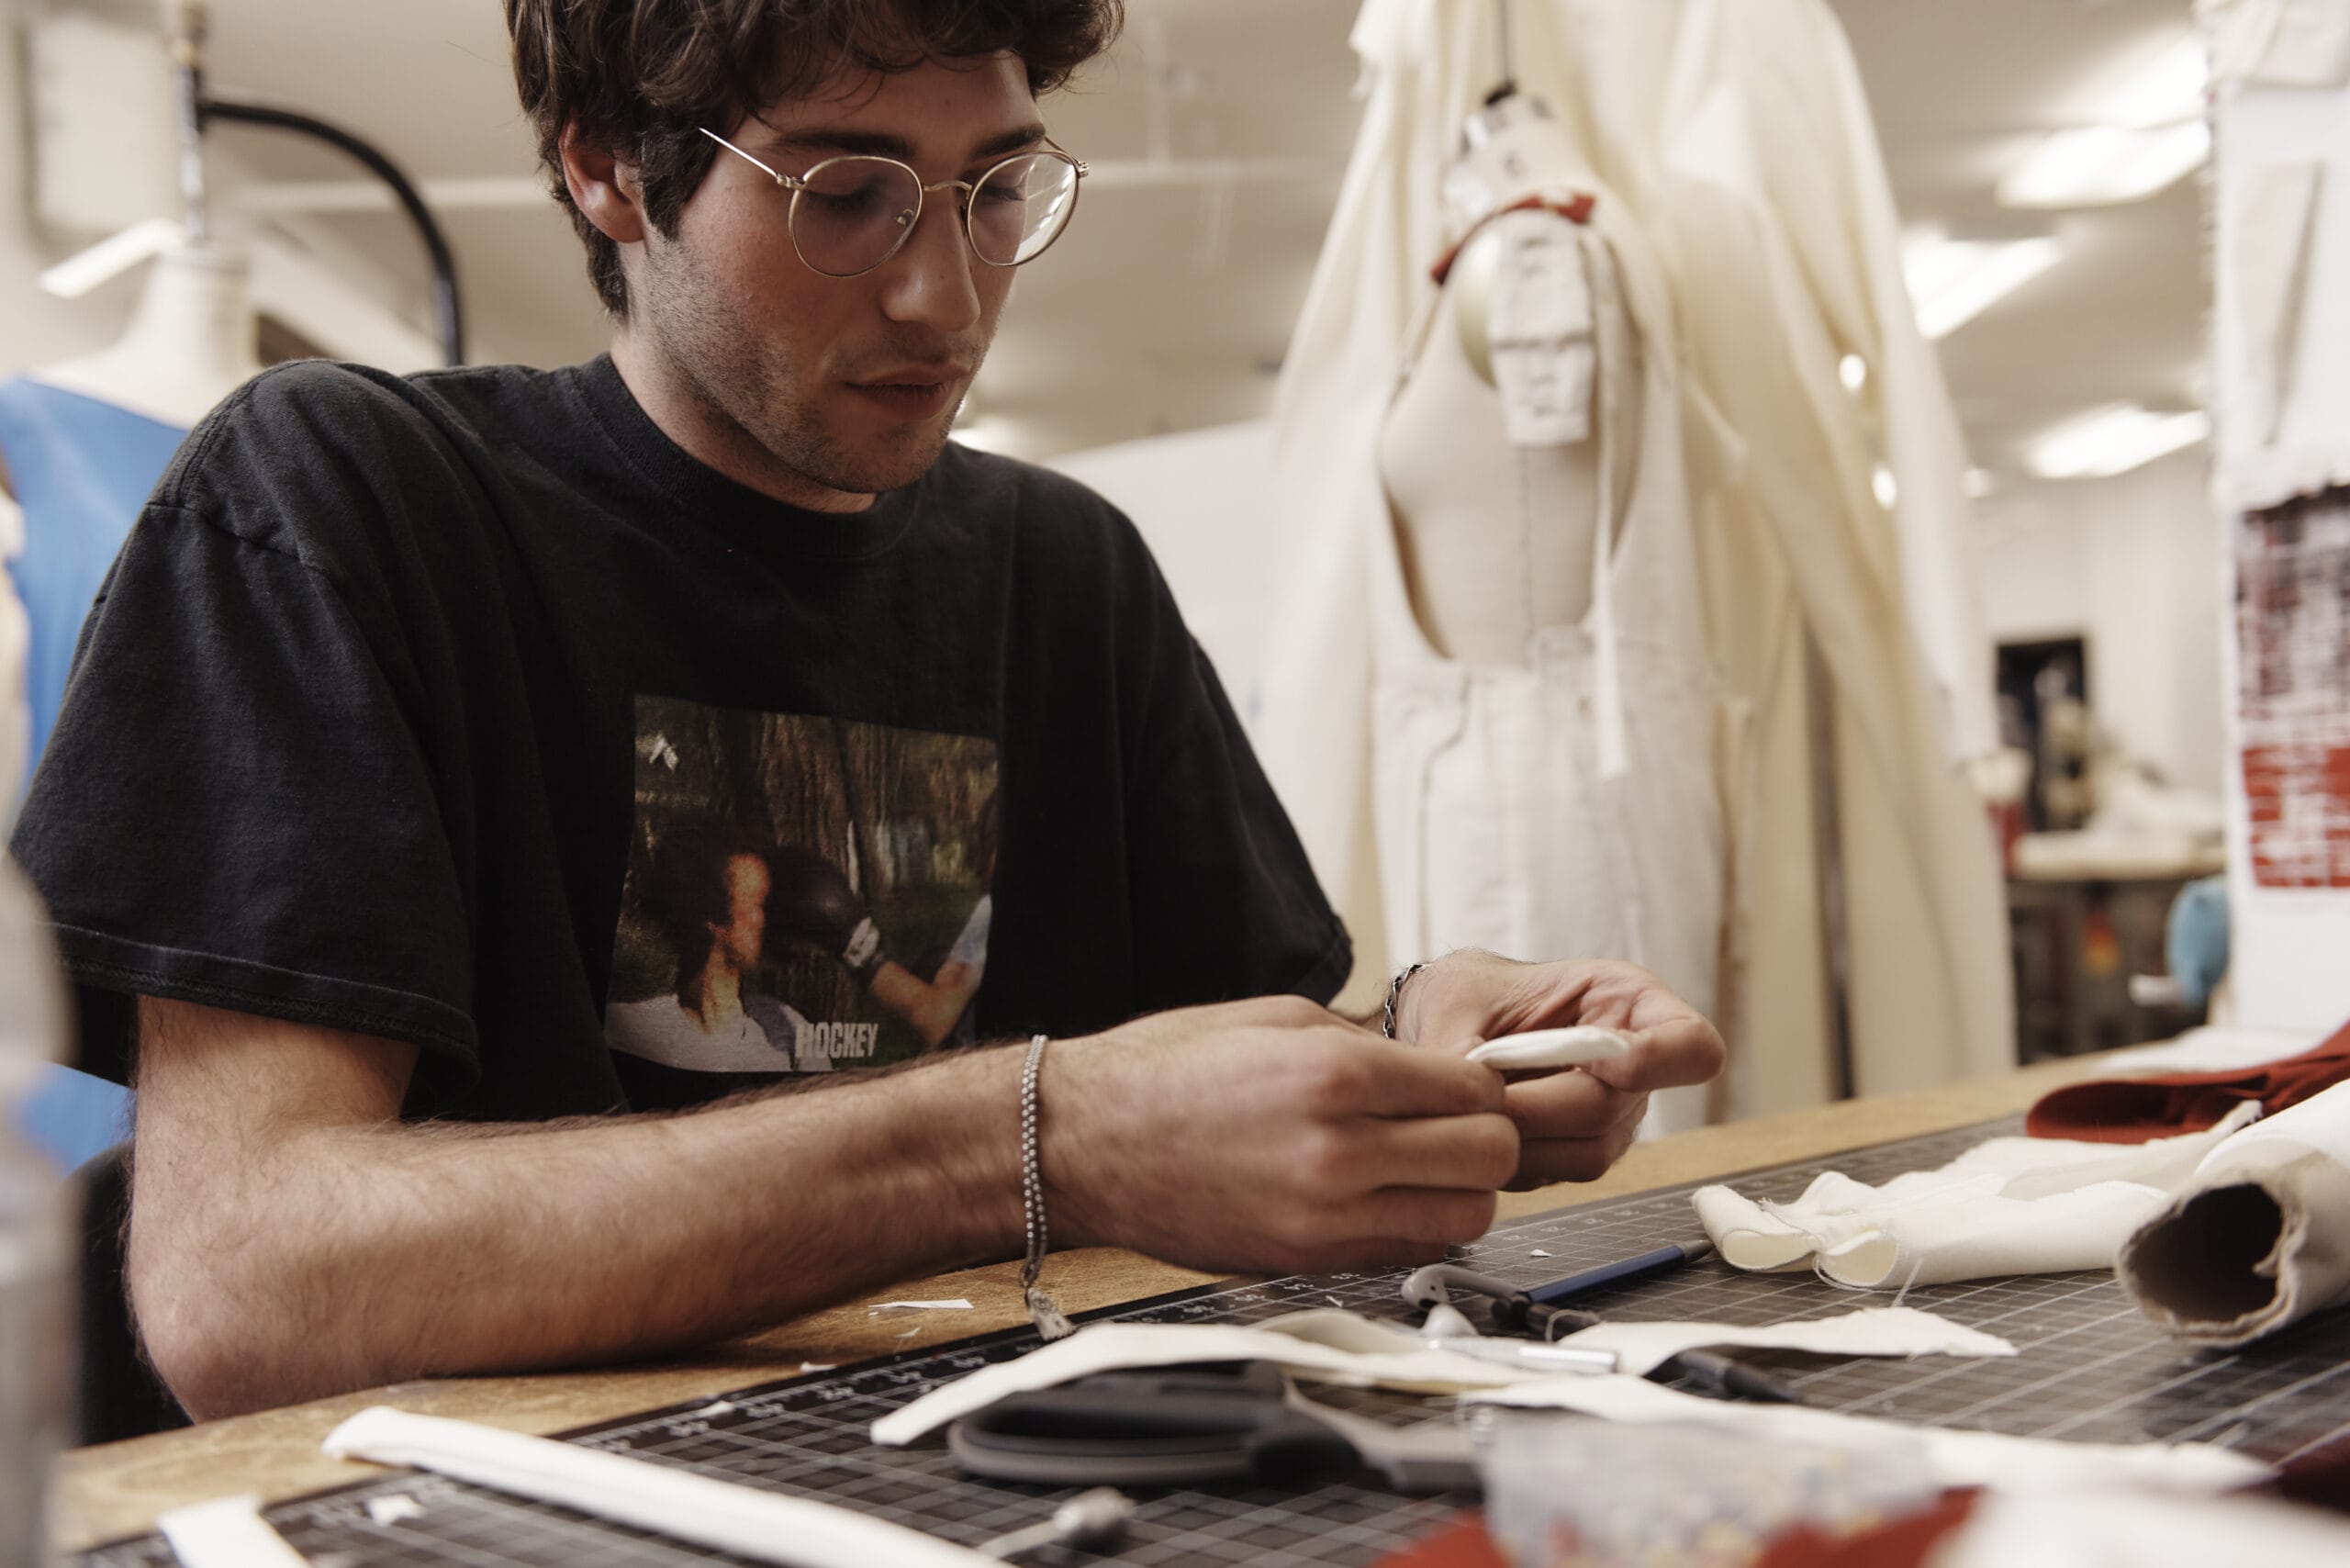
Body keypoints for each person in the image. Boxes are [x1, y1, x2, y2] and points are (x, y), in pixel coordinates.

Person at [10, 0, 1725, 1424]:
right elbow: (251, 1284)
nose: (947, 296)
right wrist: (1034, 1140)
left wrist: (1428, 1050)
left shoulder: (1067, 572)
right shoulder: (345, 501)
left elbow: (1206, 1093)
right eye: (847, 193)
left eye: (993, 188)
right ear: (607, 168)